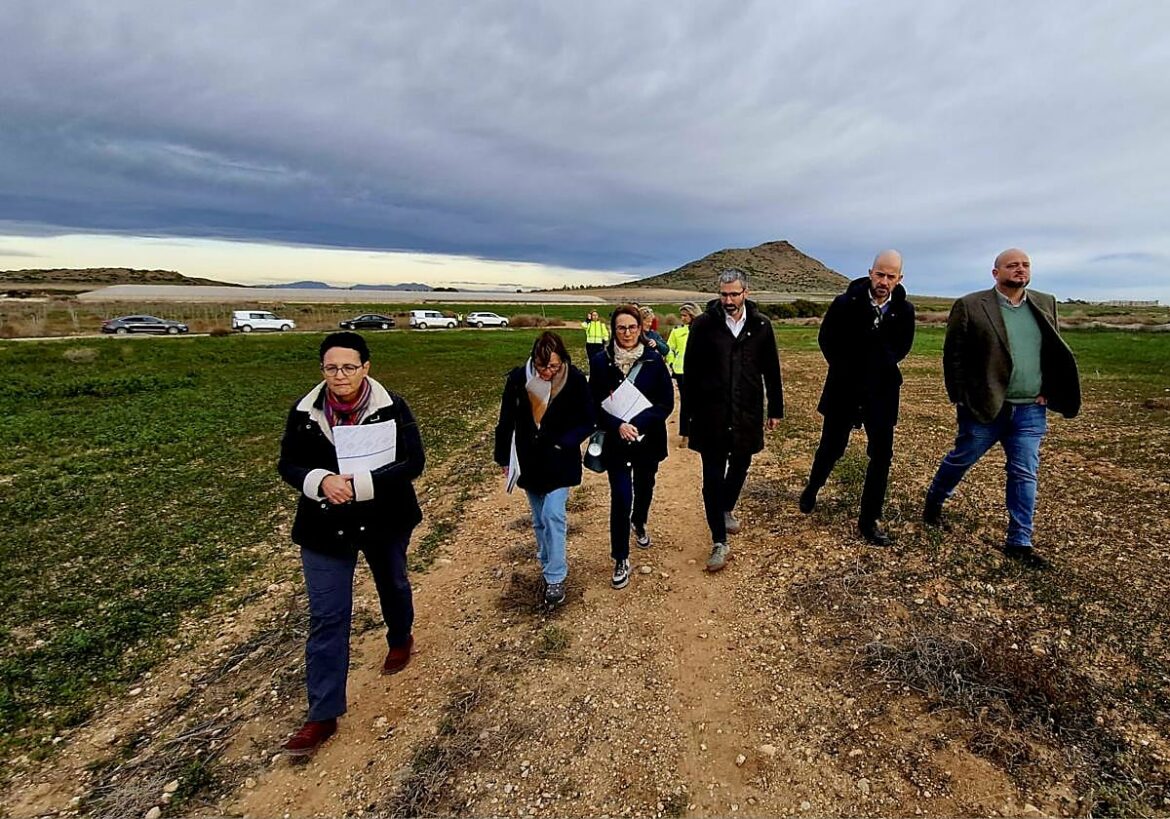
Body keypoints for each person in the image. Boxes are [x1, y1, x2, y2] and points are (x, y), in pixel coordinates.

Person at [277, 332, 425, 757]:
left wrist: (362, 484)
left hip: (384, 518)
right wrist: (318, 481)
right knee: (327, 616)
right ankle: (321, 714)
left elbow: (413, 462)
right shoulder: (306, 412)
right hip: (325, 525)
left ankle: (400, 636)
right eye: (331, 367)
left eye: (348, 367)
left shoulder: (392, 407)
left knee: (393, 583)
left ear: (366, 368)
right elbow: (287, 462)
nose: (339, 375)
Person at [923, 248, 1081, 566]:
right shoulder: (970, 305)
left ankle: (1019, 542)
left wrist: (1049, 389)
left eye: (1025, 265)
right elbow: (953, 356)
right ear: (996, 273)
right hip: (985, 407)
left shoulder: (1044, 302)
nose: (1020, 270)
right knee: (961, 459)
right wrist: (960, 396)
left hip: (1030, 409)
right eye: (1012, 266)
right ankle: (935, 500)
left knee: (1024, 472)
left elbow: (1052, 350)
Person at [799, 251, 916, 546]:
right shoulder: (845, 303)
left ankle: (868, 520)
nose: (884, 281)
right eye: (880, 274)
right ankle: (813, 487)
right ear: (870, 273)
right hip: (844, 388)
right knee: (831, 448)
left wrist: (877, 364)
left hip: (882, 391)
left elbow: (902, 347)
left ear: (899, 279)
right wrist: (847, 367)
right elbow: (826, 338)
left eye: (891, 276)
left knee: (881, 457)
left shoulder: (905, 311)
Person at [684, 268, 784, 571]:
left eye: (734, 294)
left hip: (747, 410)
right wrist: (687, 419)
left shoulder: (762, 326)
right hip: (710, 414)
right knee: (712, 477)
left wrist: (776, 409)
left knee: (741, 463)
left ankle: (726, 507)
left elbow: (772, 370)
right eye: (724, 294)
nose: (728, 300)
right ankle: (719, 541)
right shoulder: (702, 326)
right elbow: (690, 374)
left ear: (746, 293)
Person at [494, 331, 596, 605]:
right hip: (529, 460)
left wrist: (566, 442)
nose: (548, 372)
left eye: (554, 366)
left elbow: (589, 419)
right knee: (539, 519)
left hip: (560, 460)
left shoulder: (574, 379)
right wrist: (503, 458)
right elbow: (506, 420)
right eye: (542, 367)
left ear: (562, 360)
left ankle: (555, 576)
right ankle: (545, 557)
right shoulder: (518, 379)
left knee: (553, 515)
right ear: (533, 361)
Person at [589, 305, 675, 589]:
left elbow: (666, 403)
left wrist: (639, 422)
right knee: (620, 497)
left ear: (641, 328)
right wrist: (617, 426)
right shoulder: (601, 362)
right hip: (617, 442)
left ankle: (639, 521)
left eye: (632, 327)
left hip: (647, 440)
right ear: (613, 330)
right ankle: (620, 557)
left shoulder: (653, 360)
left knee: (645, 486)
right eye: (621, 328)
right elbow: (593, 405)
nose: (627, 333)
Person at [665, 302, 698, 441]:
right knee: (685, 403)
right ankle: (685, 434)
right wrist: (672, 362)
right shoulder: (677, 331)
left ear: (692, 315)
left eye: (685, 315)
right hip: (681, 371)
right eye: (682, 316)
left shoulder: (701, 330)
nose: (683, 318)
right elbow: (669, 349)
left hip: (699, 371)